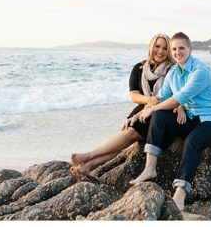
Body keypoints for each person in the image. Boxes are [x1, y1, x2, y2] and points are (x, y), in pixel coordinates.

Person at [128, 32, 211, 210]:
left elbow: (178, 99)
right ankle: (150, 168)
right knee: (159, 116)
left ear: (190, 49)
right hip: (191, 118)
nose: (177, 52)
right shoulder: (174, 72)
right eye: (174, 49)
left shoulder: (200, 71)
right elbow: (159, 97)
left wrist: (152, 108)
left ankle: (180, 195)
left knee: (192, 141)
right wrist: (138, 114)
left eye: (181, 48)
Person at [70, 33, 179, 176]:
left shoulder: (172, 69)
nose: (160, 51)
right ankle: (88, 166)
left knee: (129, 133)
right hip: (144, 107)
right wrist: (148, 100)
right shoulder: (140, 68)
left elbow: (176, 95)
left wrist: (154, 104)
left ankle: (89, 156)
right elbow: (134, 95)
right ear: (151, 47)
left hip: (161, 112)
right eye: (157, 46)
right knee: (124, 137)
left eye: (165, 48)